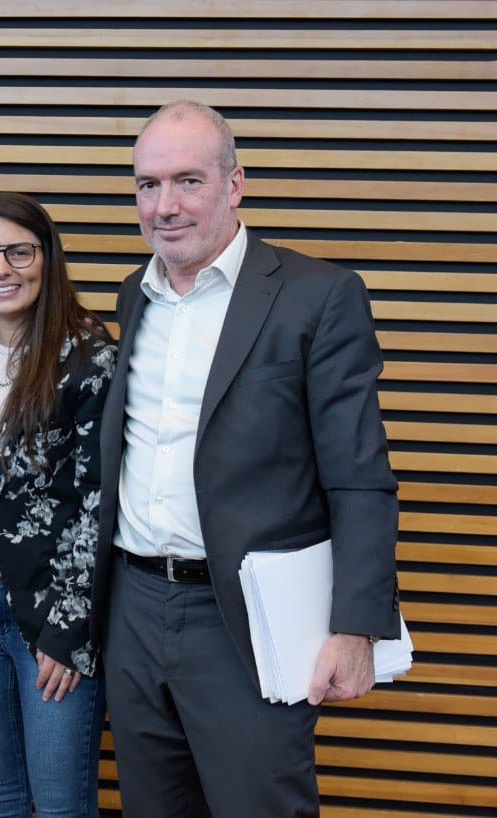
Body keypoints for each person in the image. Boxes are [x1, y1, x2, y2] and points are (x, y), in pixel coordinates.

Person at [91, 100, 401, 817]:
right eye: (146, 184)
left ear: (235, 185)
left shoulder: (316, 297)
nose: (164, 205)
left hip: (246, 622)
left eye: (187, 181)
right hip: (134, 611)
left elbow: (361, 478)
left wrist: (356, 628)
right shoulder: (133, 298)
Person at [0, 192, 114, 818]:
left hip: (48, 614)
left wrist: (69, 629)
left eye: (18, 252)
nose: (1, 269)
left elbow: (98, 501)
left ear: (47, 258)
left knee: (60, 807)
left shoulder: (87, 358)